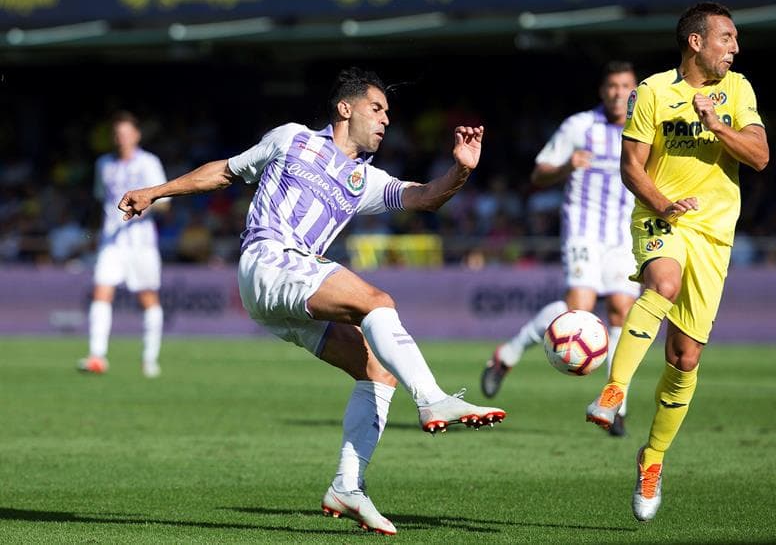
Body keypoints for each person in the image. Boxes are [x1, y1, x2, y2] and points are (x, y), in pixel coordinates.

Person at [116, 67, 506, 535]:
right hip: (268, 258)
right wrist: (155, 192)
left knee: (377, 371)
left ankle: (347, 486)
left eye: (388, 114)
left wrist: (460, 170)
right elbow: (225, 171)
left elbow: (423, 197)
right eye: (377, 109)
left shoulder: (365, 179)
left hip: (283, 290)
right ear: (346, 108)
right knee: (376, 300)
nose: (385, 121)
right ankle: (434, 399)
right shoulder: (292, 139)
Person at [584, 2, 768, 522]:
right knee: (661, 282)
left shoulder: (739, 90)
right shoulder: (653, 91)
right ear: (696, 42)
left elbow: (759, 156)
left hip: (714, 232)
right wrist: (663, 203)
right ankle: (614, 391)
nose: (734, 48)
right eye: (726, 38)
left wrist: (717, 124)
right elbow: (631, 166)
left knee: (685, 357)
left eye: (734, 40)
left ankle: (652, 460)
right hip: (660, 216)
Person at [481, 61, 640, 436]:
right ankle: (509, 354)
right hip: (584, 231)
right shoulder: (579, 126)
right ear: (603, 91)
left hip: (625, 235)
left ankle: (616, 406)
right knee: (579, 311)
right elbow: (538, 173)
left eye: (625, 86)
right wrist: (567, 166)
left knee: (621, 310)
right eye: (612, 86)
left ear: (635, 91)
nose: (618, 92)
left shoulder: (645, 126)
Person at [78, 111, 169, 378]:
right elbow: (100, 201)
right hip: (111, 241)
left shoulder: (149, 163)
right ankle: (97, 356)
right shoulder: (103, 164)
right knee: (101, 292)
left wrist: (145, 207)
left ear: (137, 135)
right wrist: (95, 233)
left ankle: (149, 359)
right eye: (118, 134)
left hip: (141, 243)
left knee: (148, 298)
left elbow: (165, 203)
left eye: (127, 134)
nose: (122, 139)